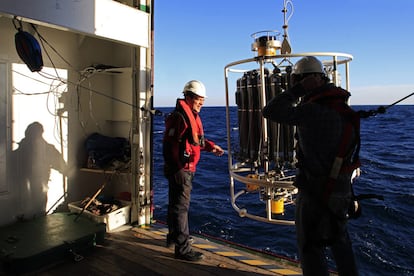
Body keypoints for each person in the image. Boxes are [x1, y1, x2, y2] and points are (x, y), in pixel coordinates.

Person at [262, 56, 360, 275]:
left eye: (296, 80)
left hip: (315, 191)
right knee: (341, 243)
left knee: (310, 247)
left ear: (306, 80)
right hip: (342, 189)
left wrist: (296, 92)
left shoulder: (311, 111)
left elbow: (270, 111)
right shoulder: (345, 111)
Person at [163, 80, 225, 261]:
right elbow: (169, 146)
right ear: (188, 98)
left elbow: (194, 141)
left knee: (175, 205)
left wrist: (211, 147)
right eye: (199, 99)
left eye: (203, 100)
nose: (202, 103)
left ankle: (174, 237)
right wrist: (177, 169)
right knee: (181, 208)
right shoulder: (179, 117)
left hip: (183, 168)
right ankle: (183, 250)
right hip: (182, 169)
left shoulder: (190, 115)